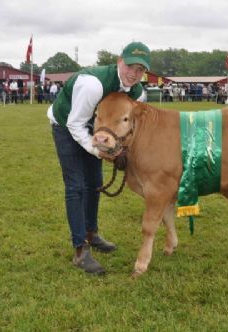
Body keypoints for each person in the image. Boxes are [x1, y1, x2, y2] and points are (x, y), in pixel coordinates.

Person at [47, 41, 150, 275]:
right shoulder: (92, 84)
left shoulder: (137, 93)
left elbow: (131, 126)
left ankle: (91, 234)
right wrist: (98, 151)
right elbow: (75, 123)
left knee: (94, 184)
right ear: (119, 61)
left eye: (140, 70)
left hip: (100, 130)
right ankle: (80, 251)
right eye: (130, 66)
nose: (133, 74)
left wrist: (124, 150)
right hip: (66, 125)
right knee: (76, 187)